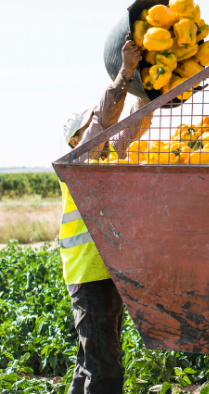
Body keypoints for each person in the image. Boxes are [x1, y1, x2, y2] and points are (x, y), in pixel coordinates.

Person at [59, 40, 152, 394]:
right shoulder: (77, 164)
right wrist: (125, 73)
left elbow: (134, 123)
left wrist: (151, 88)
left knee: (92, 361)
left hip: (105, 274)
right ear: (75, 141)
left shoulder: (104, 161)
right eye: (88, 128)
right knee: (103, 367)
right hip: (90, 278)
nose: (96, 130)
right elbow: (105, 121)